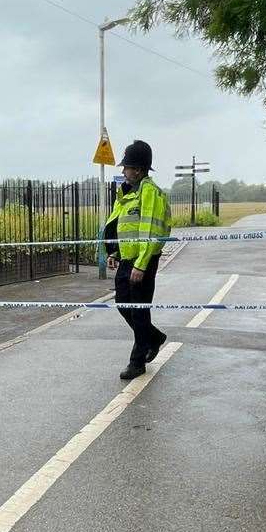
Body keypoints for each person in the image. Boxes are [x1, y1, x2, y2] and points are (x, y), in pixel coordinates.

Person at [102, 140, 172, 380]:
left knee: (140, 312)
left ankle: (138, 361)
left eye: (127, 167)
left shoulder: (149, 193)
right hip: (126, 259)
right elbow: (124, 229)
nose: (123, 171)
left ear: (139, 170)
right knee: (123, 304)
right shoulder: (126, 194)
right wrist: (114, 252)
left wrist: (141, 264)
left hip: (143, 261)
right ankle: (154, 338)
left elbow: (150, 231)